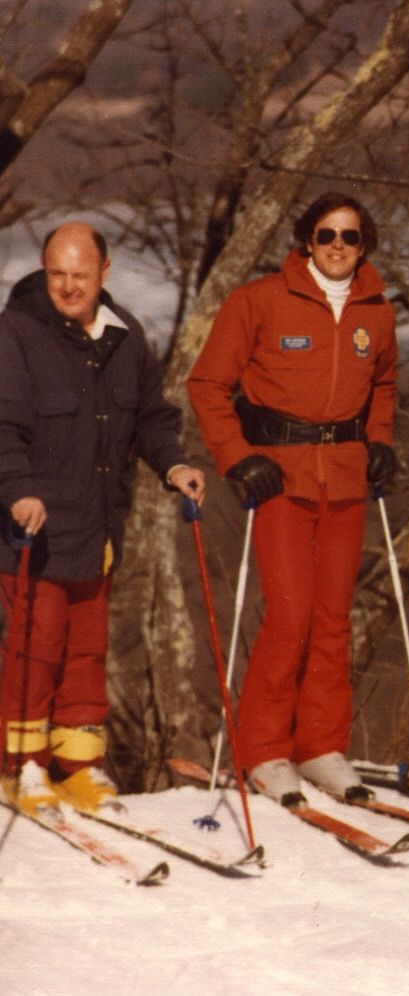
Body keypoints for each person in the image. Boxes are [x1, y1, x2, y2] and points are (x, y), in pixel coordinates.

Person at [187, 192, 398, 805]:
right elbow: (207, 384)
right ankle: (264, 750)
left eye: (350, 237)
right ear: (306, 239)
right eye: (326, 235)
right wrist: (236, 455)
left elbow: (383, 384)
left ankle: (322, 746)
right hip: (279, 475)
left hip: (346, 473)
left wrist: (380, 441)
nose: (338, 247)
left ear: (365, 245)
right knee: (290, 613)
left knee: (334, 616)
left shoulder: (376, 311)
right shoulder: (258, 301)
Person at [0, 222, 206, 815]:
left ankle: (79, 765)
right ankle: (23, 766)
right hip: (33, 531)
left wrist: (173, 467)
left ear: (104, 272)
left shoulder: (125, 337)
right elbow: (4, 429)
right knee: (35, 651)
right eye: (57, 273)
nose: (67, 287)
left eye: (80, 275)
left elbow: (151, 420)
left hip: (99, 530)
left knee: (87, 653)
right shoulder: (15, 334)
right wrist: (17, 490)